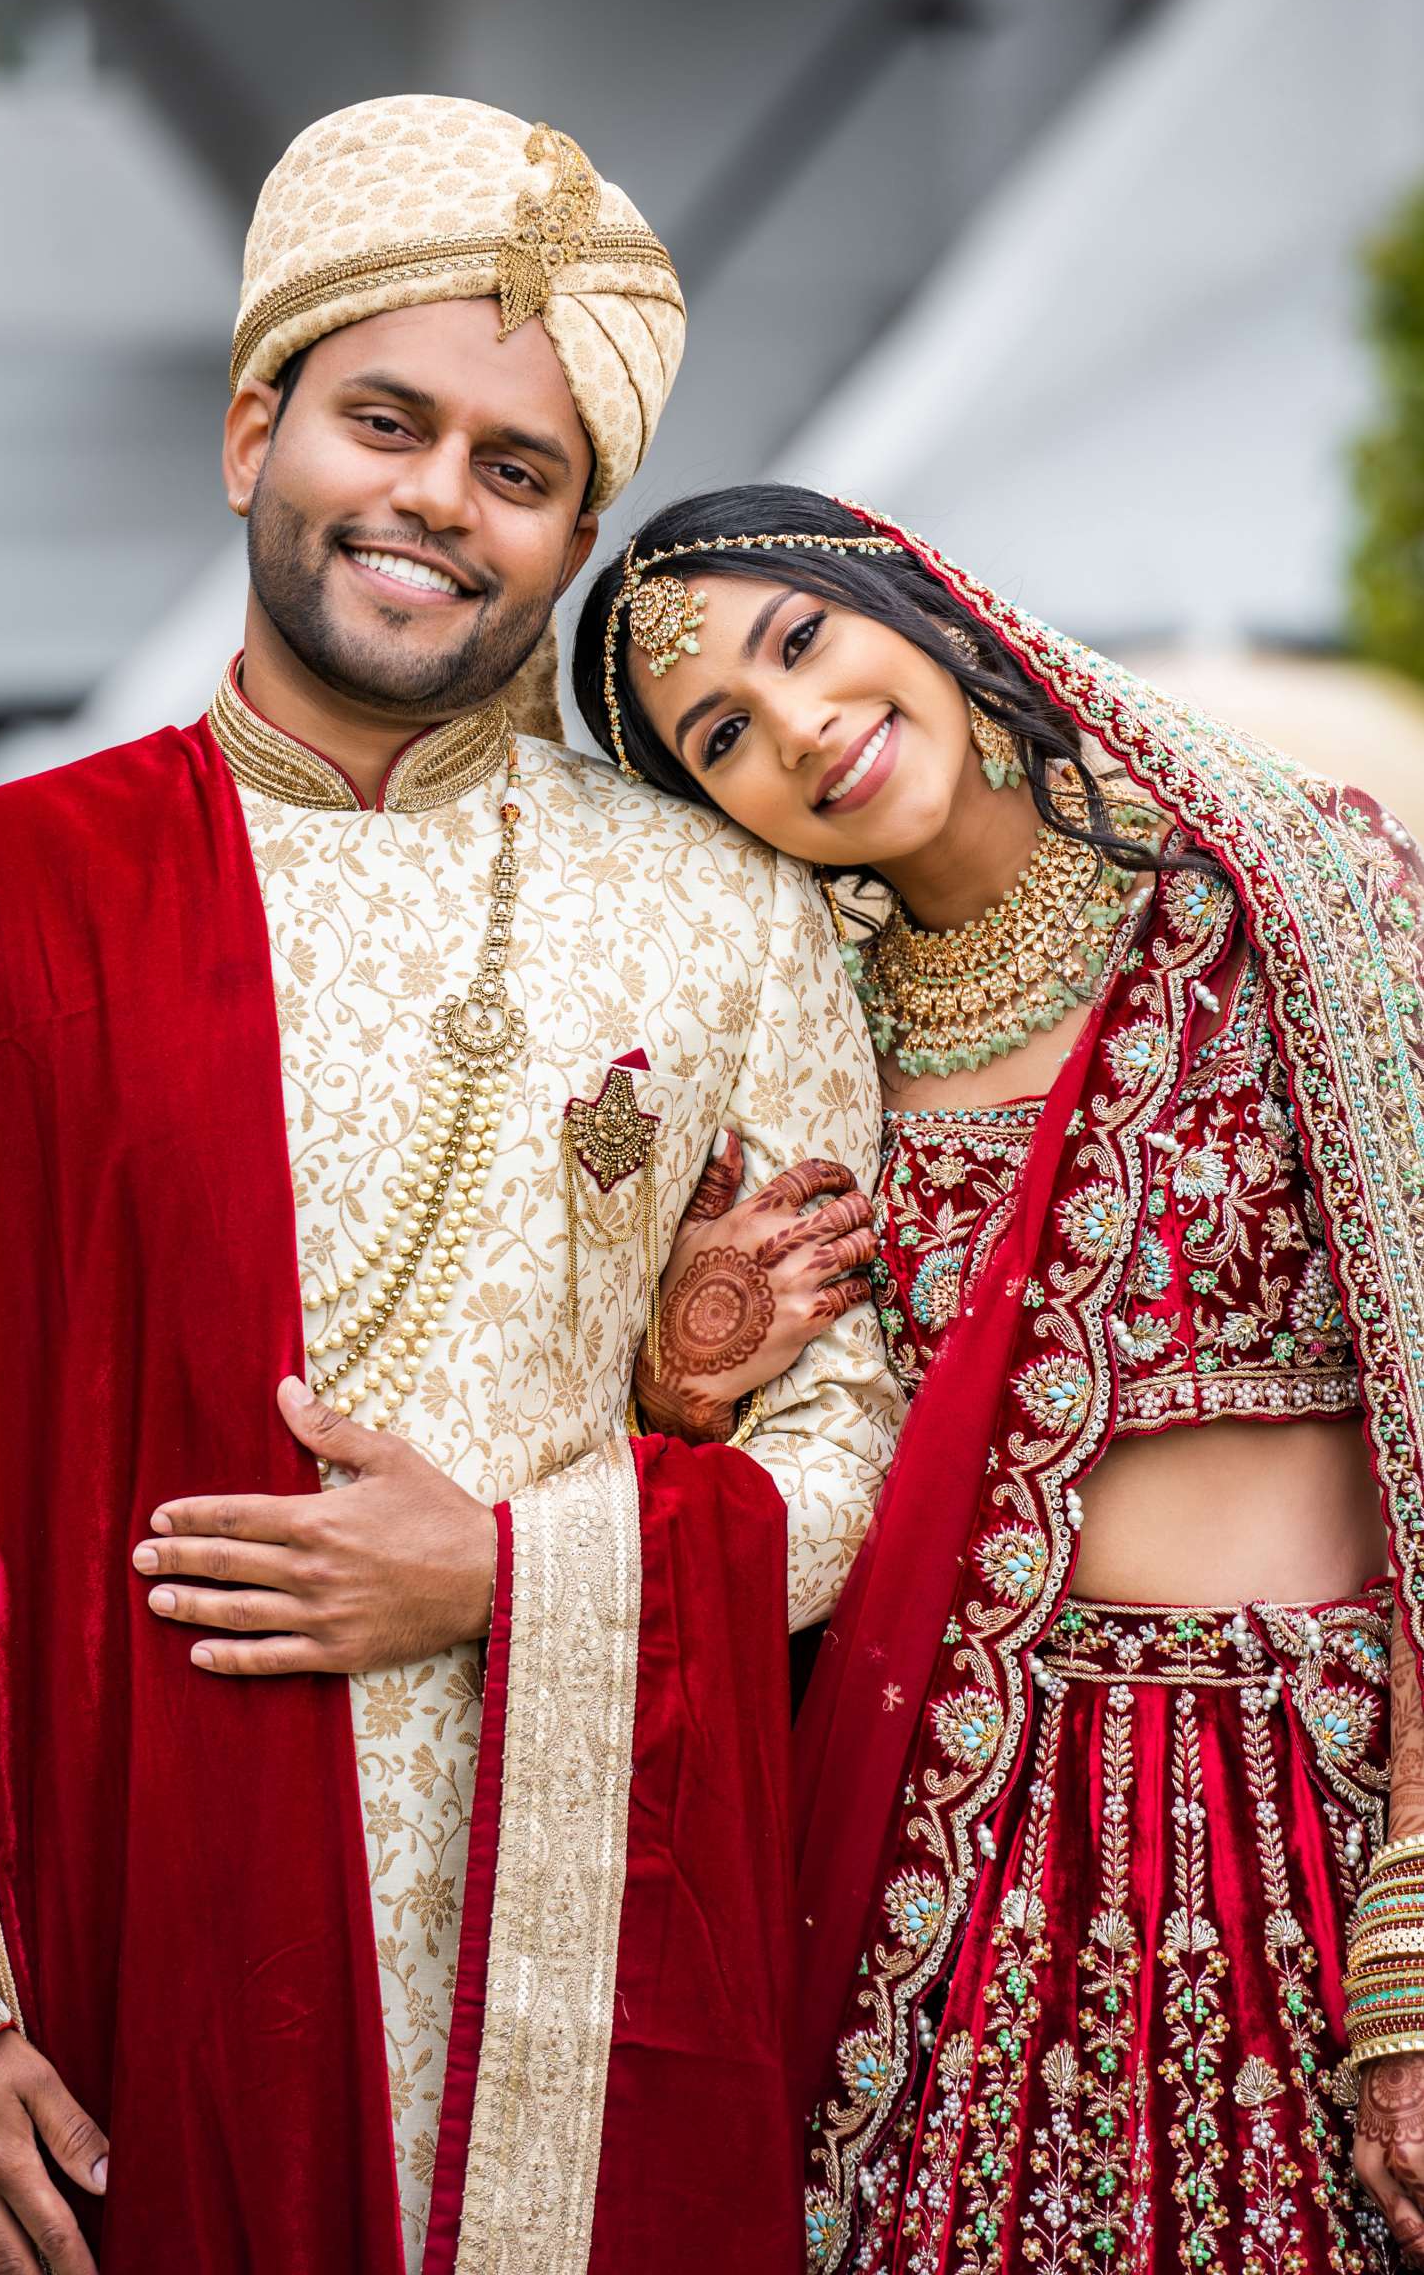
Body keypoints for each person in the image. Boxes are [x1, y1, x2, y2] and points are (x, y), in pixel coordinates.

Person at [0, 120, 900, 2275]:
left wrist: (511, 1571)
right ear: (254, 432)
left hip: (591, 1995)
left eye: (517, 468)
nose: (437, 499)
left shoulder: (729, 914)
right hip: (109, 1972)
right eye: (385, 421)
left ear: (577, 532)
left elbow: (852, 1426)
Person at [571, 480, 1424, 2272]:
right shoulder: (803, 1041)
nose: (798, 724)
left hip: (1339, 1800)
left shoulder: (1301, 907)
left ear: (921, 599)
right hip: (977, 1832)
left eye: (800, 640)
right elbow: (788, 1465)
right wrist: (688, 1369)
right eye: (720, 731)